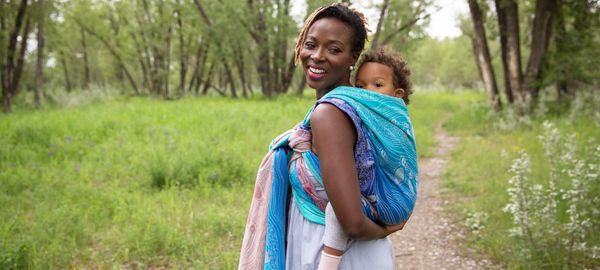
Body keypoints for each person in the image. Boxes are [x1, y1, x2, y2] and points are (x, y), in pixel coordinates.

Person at [238, 4, 418, 269]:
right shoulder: (358, 107)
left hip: (337, 255)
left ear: (352, 58)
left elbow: (352, 222)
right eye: (311, 44)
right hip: (353, 252)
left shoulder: (329, 115)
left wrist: (387, 230)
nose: (317, 56)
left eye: (334, 49)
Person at [317, 47, 415, 270]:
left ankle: (327, 264)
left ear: (397, 95)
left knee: (337, 210)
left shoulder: (396, 120)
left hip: (392, 201)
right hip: (389, 204)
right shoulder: (358, 114)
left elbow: (398, 155)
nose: (367, 91)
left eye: (378, 85)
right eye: (360, 86)